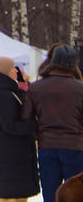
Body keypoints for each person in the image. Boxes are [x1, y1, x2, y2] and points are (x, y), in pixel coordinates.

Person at [22, 44, 83, 202]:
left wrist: (40, 133)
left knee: (50, 194)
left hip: (47, 146)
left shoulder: (36, 88)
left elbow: (26, 118)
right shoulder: (80, 88)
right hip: (76, 147)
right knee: (76, 195)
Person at [0, 56, 40, 202]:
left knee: (14, 189)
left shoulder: (4, 91)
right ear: (5, 71)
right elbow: (9, 125)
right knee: (12, 190)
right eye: (13, 68)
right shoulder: (5, 95)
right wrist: (34, 124)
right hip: (11, 149)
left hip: (9, 147)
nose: (16, 71)